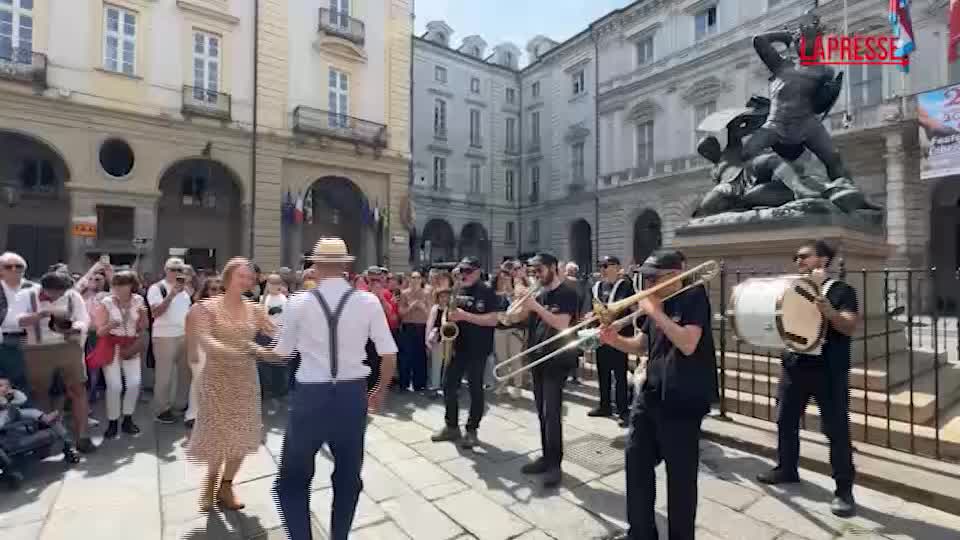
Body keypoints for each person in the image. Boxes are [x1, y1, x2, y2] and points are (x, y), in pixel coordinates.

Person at [272, 238, 397, 540]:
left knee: (291, 480)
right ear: (345, 266)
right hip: (352, 394)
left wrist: (253, 347)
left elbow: (282, 353)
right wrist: (379, 391)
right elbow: (389, 354)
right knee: (348, 476)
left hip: (311, 395)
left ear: (314, 266)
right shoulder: (368, 301)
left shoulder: (298, 302)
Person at [599, 249, 716, 540]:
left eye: (652, 278)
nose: (647, 285)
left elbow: (688, 343)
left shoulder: (694, 296)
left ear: (674, 276)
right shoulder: (659, 301)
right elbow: (643, 345)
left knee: (680, 481)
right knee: (635, 464)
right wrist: (615, 341)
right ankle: (640, 533)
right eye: (645, 278)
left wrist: (655, 312)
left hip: (682, 400)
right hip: (650, 394)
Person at [756, 239, 859, 517]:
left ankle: (844, 490)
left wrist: (827, 309)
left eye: (804, 257)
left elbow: (848, 326)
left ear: (823, 260)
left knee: (836, 430)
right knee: (785, 419)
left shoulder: (842, 291)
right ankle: (787, 469)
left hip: (829, 370)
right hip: (796, 365)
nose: (798, 261)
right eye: (796, 257)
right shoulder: (792, 289)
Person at [188, 258, 277, 512]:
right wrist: (240, 351)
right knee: (217, 434)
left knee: (242, 434)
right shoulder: (206, 308)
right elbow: (205, 339)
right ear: (228, 277)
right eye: (242, 276)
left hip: (246, 379)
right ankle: (210, 482)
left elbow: (276, 333)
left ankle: (226, 486)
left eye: (250, 277)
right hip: (216, 377)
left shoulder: (254, 308)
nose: (247, 281)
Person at [12, 271, 97, 453]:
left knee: (78, 389)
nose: (58, 296)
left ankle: (83, 436)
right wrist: (41, 314)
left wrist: (73, 328)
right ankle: (46, 438)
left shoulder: (73, 296)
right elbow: (15, 320)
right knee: (40, 392)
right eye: (54, 292)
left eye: (62, 292)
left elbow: (84, 321)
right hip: (37, 348)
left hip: (68, 346)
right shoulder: (26, 295)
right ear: (44, 288)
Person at [517, 253, 579, 487]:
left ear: (553, 267)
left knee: (552, 413)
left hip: (557, 359)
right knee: (542, 412)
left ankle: (555, 464)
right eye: (534, 271)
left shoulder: (567, 293)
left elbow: (562, 324)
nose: (536, 275)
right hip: (538, 358)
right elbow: (530, 323)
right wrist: (522, 309)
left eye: (540, 270)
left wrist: (535, 306)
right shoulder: (540, 293)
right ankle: (546, 456)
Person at [430, 257, 501, 449]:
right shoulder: (457, 289)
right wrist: (445, 321)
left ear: (478, 272)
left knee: (475, 389)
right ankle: (451, 426)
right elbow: (448, 312)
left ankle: (472, 430)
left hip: (478, 348)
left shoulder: (486, 291)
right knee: (448, 385)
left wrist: (465, 316)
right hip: (458, 347)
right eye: (462, 271)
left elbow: (494, 320)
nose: (464, 275)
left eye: (468, 271)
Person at [93, 271, 147, 439]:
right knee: (114, 386)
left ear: (132, 285)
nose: (118, 288)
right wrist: (111, 324)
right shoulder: (106, 302)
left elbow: (143, 327)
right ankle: (113, 421)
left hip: (131, 344)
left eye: (123, 284)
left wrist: (144, 316)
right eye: (116, 284)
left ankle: (128, 419)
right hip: (111, 345)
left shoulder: (138, 300)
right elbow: (99, 332)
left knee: (133, 383)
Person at [589, 256, 636, 426]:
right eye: (600, 265)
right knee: (603, 372)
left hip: (619, 335)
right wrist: (590, 316)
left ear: (617, 267)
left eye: (606, 265)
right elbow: (594, 308)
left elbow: (634, 310)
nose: (602, 269)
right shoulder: (597, 287)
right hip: (601, 334)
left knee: (620, 374)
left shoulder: (626, 285)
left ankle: (623, 410)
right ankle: (604, 405)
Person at [148, 257, 193, 424]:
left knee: (184, 373)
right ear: (165, 270)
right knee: (164, 376)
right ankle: (161, 409)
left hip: (184, 334)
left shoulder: (186, 290)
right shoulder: (156, 288)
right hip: (164, 336)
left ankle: (180, 405)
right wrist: (171, 295)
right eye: (173, 269)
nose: (176, 273)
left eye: (179, 269)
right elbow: (155, 313)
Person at [0, 375, 79, 469]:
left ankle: (45, 418)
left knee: (33, 412)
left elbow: (22, 400)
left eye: (4, 386)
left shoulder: (11, 395)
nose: (3, 388)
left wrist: (14, 393)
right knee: (3, 417)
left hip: (15, 412)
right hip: (3, 414)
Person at [184, 276, 224, 433]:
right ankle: (192, 415)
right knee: (199, 382)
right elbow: (190, 332)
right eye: (213, 289)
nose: (217, 292)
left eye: (221, 289)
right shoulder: (198, 307)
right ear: (206, 291)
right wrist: (192, 351)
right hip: (200, 350)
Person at [0, 252, 36, 392]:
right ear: (1, 270)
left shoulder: (34, 288)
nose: (14, 269)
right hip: (5, 340)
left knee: (29, 382)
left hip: (31, 339)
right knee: (7, 384)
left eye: (18, 266)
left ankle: (32, 413)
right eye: (9, 266)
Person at [493, 261, 527, 398]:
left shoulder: (518, 289)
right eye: (503, 273)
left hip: (515, 329)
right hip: (499, 328)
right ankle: (503, 384)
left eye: (508, 273)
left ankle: (517, 386)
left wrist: (510, 292)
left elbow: (520, 307)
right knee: (501, 358)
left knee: (515, 358)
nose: (505, 276)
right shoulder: (493, 291)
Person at [397, 271, 429, 392]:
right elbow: (401, 312)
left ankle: (419, 384)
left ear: (421, 280)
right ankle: (404, 384)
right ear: (410, 279)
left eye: (418, 278)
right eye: (413, 278)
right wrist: (411, 307)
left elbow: (430, 312)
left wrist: (422, 307)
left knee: (420, 356)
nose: (416, 280)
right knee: (406, 356)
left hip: (422, 327)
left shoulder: (427, 293)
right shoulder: (404, 293)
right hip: (408, 327)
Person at [259, 274, 289, 398]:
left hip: (279, 336)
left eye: (276, 284)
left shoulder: (284, 299)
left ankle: (280, 389)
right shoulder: (263, 298)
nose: (273, 286)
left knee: (278, 365)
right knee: (265, 365)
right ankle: (267, 389)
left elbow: (286, 318)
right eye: (271, 284)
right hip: (266, 335)